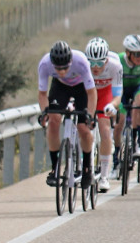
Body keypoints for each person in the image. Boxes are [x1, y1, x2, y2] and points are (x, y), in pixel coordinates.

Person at [37, 40, 96, 190]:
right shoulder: (45, 64)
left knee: (83, 128)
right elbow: (42, 94)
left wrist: (90, 115)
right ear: (52, 64)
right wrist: (45, 112)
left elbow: (91, 93)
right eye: (58, 69)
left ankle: (87, 167)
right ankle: (55, 168)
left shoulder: (81, 61)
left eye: (65, 68)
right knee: (53, 121)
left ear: (70, 62)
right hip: (60, 87)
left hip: (81, 88)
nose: (62, 72)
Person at [85, 38, 121, 192]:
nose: (95, 68)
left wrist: (112, 106)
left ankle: (105, 176)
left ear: (106, 60)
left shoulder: (115, 66)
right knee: (83, 127)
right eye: (91, 63)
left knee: (105, 131)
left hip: (106, 94)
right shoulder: (83, 66)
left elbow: (118, 94)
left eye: (99, 63)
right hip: (88, 93)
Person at [113, 34, 140, 163]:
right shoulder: (118, 60)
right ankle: (116, 158)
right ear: (128, 52)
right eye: (136, 54)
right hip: (122, 90)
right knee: (119, 123)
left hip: (138, 87)